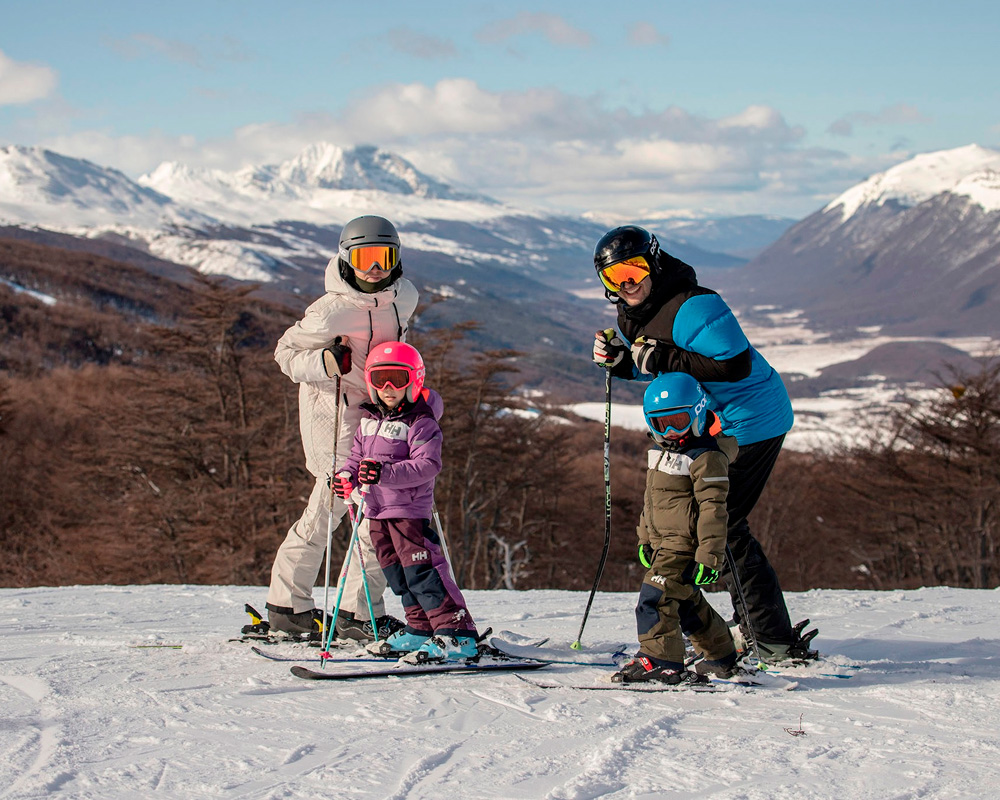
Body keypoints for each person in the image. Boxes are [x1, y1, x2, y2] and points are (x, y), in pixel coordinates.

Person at [591, 225, 816, 663]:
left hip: (752, 421)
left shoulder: (695, 305)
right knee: (706, 525)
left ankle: (769, 638)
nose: (628, 282)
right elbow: (666, 366)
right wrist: (624, 364)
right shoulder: (635, 311)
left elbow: (734, 365)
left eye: (635, 269)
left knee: (723, 525)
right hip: (710, 423)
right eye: (615, 277)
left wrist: (658, 358)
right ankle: (744, 631)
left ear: (654, 262)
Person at [265, 215, 418, 642]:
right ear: (346, 259)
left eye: (384, 257)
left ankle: (331, 609)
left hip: (380, 417)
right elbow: (285, 354)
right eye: (364, 258)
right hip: (333, 419)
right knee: (343, 511)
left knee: (363, 510)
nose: (374, 268)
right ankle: (323, 609)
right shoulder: (330, 309)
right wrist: (324, 363)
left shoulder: (404, 297)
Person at [332, 342, 480, 663]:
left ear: (414, 381)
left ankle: (457, 634)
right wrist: (346, 476)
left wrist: (383, 472)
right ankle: (421, 628)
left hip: (408, 511)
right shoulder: (368, 421)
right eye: (381, 378)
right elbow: (357, 459)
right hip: (375, 511)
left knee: (422, 572)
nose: (388, 388)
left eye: (397, 379)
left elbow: (428, 465)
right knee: (397, 575)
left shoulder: (420, 422)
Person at [613, 372, 739, 685]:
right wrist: (645, 539)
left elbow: (714, 510)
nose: (670, 431)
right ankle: (721, 657)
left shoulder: (706, 457)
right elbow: (652, 502)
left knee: (654, 598)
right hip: (663, 543)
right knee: (686, 604)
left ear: (697, 413)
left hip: (683, 545)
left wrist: (710, 556)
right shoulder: (663, 453)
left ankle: (661, 662)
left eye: (679, 421)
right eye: (660, 423)